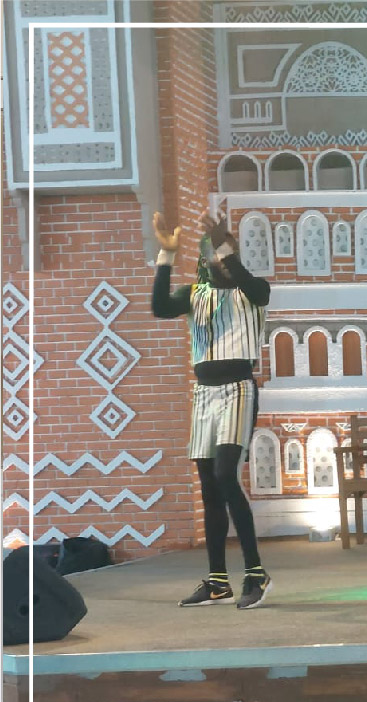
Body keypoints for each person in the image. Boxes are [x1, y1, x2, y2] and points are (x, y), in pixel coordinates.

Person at [151, 211, 272, 608]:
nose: (219, 261)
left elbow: (251, 285)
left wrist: (223, 245)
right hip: (204, 393)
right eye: (213, 256)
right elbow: (159, 307)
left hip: (237, 389)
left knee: (224, 474)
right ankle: (218, 581)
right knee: (208, 486)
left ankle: (256, 573)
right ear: (204, 262)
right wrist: (167, 256)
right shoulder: (194, 295)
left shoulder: (252, 291)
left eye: (225, 255)